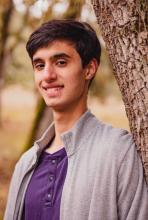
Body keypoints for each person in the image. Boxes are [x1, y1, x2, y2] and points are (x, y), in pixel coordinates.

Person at [4, 19, 148, 220]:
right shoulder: (25, 164)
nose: (47, 75)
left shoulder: (118, 151)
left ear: (89, 69)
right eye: (39, 65)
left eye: (61, 62)